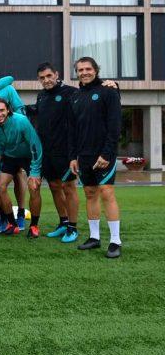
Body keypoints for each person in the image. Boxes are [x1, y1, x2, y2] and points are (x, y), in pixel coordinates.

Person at [69, 56, 123, 258]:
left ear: (96, 70)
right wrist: (73, 157)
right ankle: (94, 237)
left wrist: (107, 153)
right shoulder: (75, 97)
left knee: (107, 192)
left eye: (88, 69)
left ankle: (115, 241)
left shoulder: (108, 91)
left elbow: (115, 126)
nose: (84, 72)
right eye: (80, 70)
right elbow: (72, 130)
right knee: (90, 193)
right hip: (83, 156)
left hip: (104, 154)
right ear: (77, 73)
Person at [0, 98, 43, 237]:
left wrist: (35, 171)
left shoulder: (21, 121)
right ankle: (12, 224)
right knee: (0, 186)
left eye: (2, 110)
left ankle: (34, 226)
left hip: (27, 156)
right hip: (9, 156)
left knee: (34, 187)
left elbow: (35, 144)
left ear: (8, 110)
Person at [30, 62, 80, 243]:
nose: (46, 80)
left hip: (66, 151)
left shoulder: (71, 93)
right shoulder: (41, 96)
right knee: (54, 186)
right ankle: (63, 222)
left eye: (49, 76)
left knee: (69, 187)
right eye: (42, 78)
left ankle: (73, 227)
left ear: (56, 75)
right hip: (47, 151)